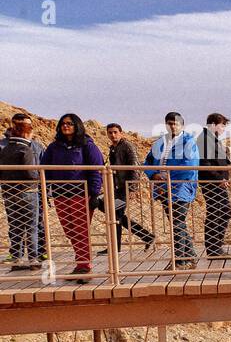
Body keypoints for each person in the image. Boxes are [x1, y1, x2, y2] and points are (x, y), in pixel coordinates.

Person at [39, 113, 103, 282]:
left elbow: (96, 170)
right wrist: (45, 190)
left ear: (77, 126)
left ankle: (84, 266)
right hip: (60, 194)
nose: (65, 126)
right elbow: (45, 169)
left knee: (80, 230)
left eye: (69, 123)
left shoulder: (87, 146)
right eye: (63, 124)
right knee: (70, 230)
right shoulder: (54, 147)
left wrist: (95, 194)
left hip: (80, 193)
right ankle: (81, 263)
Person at [142, 112, 199, 268]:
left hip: (181, 186)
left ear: (182, 125)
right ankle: (191, 255)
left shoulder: (189, 142)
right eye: (169, 123)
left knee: (177, 220)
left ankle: (180, 259)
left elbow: (189, 165)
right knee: (176, 222)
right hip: (163, 188)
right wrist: (153, 174)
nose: (173, 126)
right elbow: (147, 163)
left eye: (176, 123)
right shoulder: (159, 143)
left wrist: (167, 177)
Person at [96, 123, 155, 254]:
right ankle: (147, 237)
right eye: (110, 132)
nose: (113, 135)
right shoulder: (113, 148)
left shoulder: (127, 146)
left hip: (125, 188)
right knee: (112, 212)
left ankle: (116, 248)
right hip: (117, 188)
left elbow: (135, 167)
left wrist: (132, 188)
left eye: (115, 132)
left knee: (116, 215)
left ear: (121, 133)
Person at [0, 114, 46, 270]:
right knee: (32, 226)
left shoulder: (5, 149)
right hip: (28, 192)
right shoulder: (25, 149)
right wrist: (39, 176)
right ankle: (34, 259)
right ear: (26, 133)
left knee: (15, 226)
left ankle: (17, 260)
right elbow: (29, 172)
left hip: (9, 192)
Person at [195, 113, 231, 259]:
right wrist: (219, 178)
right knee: (217, 212)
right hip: (212, 183)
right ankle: (214, 249)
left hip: (217, 183)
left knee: (222, 211)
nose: (224, 128)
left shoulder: (211, 139)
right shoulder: (205, 139)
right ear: (213, 124)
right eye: (222, 125)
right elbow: (204, 164)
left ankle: (215, 247)